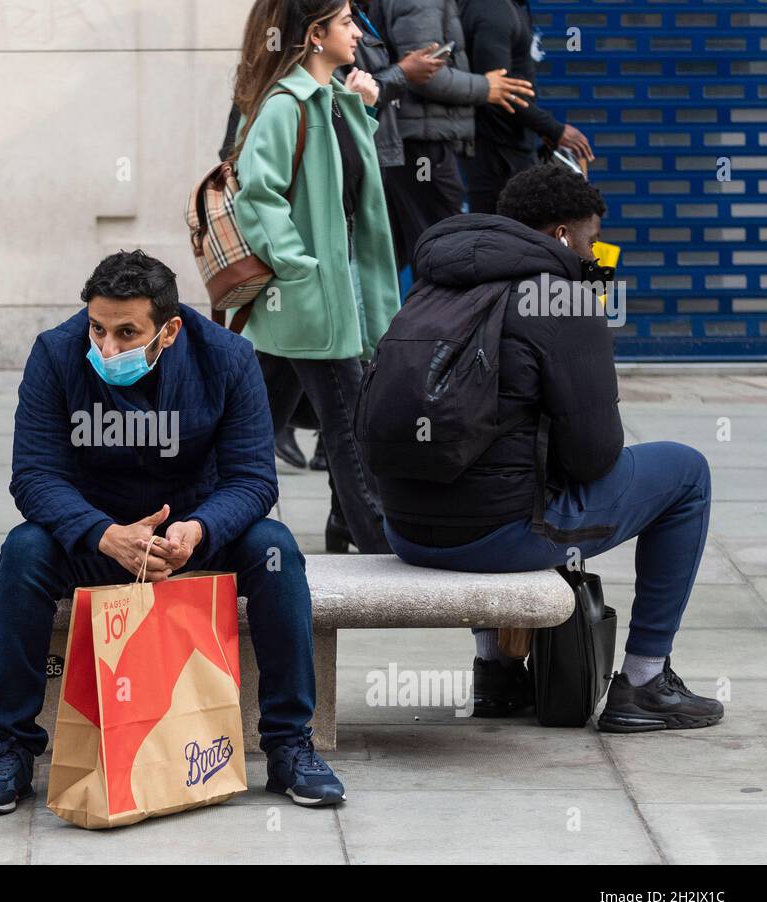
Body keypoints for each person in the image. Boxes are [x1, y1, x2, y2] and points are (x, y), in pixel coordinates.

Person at [0, 250, 345, 814]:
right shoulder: (55, 353)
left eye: (125, 332)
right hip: (98, 540)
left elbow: (254, 479)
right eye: (97, 327)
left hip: (194, 537)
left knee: (276, 549)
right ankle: (12, 747)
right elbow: (35, 477)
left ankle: (290, 745)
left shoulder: (228, 358)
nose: (107, 347)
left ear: (168, 330)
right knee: (24, 551)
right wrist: (102, 533)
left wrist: (200, 528)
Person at [376, 165, 723, 732]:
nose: (596, 253)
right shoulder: (561, 299)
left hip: (406, 530)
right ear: (561, 235)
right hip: (495, 538)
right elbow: (595, 458)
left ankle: (498, 675)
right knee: (687, 472)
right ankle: (643, 682)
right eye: (591, 240)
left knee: (489, 471)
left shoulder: (434, 282)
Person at [219, 1, 442, 546]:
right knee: (351, 419)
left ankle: (219, 517)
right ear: (315, 34)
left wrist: (361, 108)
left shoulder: (332, 98)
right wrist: (302, 269)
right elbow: (257, 196)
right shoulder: (283, 104)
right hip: (310, 297)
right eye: (346, 22)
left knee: (255, 423)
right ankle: (378, 534)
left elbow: (345, 188)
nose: (358, 33)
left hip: (327, 296)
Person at [376, 0, 537, 272]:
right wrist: (486, 87)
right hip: (423, 145)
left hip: (417, 140)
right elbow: (427, 75)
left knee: (391, 256)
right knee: (445, 256)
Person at [457, 0, 593, 213]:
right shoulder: (492, 10)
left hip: (508, 146)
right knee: (499, 235)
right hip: (497, 153)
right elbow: (499, 92)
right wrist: (554, 130)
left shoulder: (509, 7)